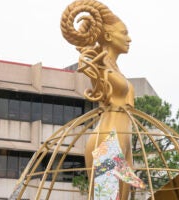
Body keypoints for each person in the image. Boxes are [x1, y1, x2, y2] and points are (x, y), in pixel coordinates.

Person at [61, 0, 137, 199]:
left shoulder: (113, 67)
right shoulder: (100, 65)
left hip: (123, 139)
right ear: (109, 36)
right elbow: (87, 65)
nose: (129, 39)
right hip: (107, 141)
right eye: (124, 33)